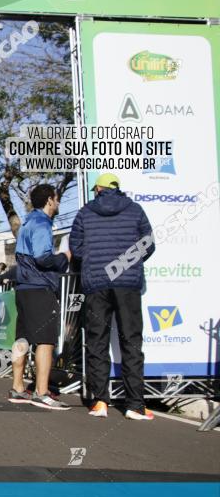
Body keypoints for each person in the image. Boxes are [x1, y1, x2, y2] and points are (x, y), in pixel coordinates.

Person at [70, 173, 155, 421]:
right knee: (131, 341)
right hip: (127, 283)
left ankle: (99, 402)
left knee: (97, 340)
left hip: (96, 282)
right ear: (118, 188)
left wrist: (97, 262)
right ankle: (135, 405)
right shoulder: (135, 209)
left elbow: (76, 247)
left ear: (97, 188)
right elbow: (148, 244)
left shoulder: (85, 212)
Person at [10, 184, 71, 410]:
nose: (58, 203)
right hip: (39, 287)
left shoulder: (26, 222)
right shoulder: (42, 223)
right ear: (49, 201)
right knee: (45, 340)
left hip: (24, 287)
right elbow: (43, 258)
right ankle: (42, 392)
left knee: (22, 339)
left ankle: (17, 388)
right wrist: (63, 257)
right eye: (57, 199)